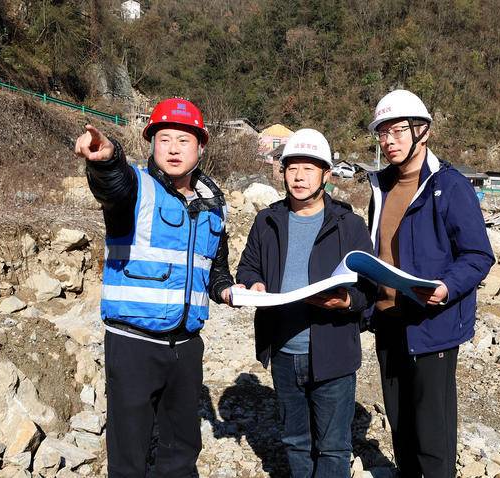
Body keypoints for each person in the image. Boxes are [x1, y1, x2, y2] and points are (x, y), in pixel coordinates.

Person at [74, 97, 235, 477]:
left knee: (181, 451)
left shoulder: (214, 205)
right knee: (129, 455)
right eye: (164, 139)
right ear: (151, 144)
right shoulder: (136, 188)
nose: (174, 148)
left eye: (184, 140)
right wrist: (106, 160)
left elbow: (215, 270)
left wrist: (228, 289)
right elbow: (112, 185)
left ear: (201, 146)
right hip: (134, 344)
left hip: (186, 346)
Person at [365, 90, 495, 477]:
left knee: (433, 433)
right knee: (400, 423)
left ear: (423, 132)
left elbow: (478, 255)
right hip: (388, 321)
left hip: (431, 322)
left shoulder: (450, 186)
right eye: (383, 133)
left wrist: (446, 287)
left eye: (398, 131)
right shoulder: (380, 188)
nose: (389, 141)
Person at [235, 128, 375, 477]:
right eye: (292, 168)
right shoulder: (267, 221)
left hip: (333, 352)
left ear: (326, 174)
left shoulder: (349, 225)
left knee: (333, 446)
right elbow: (248, 266)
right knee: (295, 440)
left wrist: (347, 301)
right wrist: (253, 283)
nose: (299, 177)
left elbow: (370, 286)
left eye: (309, 169)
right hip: (284, 351)